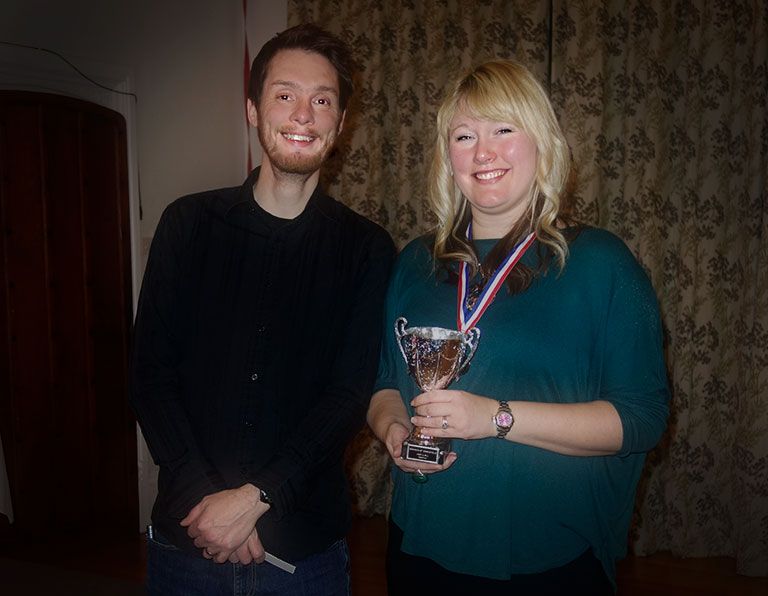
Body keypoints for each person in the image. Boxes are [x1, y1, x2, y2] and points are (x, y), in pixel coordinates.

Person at [367, 60, 670, 595]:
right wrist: (393, 430)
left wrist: (495, 417)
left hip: (547, 557)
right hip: (420, 541)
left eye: (503, 129)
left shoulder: (600, 263)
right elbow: (386, 383)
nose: (483, 152)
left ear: (542, 142)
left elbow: (641, 419)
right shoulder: (415, 261)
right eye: (464, 136)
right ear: (447, 157)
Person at [130, 23, 394, 595]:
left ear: (340, 122)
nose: (303, 114)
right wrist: (212, 504)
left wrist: (257, 498)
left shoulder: (367, 249)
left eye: (321, 100)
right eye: (285, 95)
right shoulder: (187, 224)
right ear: (253, 110)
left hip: (304, 556)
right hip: (188, 541)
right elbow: (150, 373)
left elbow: (349, 393)